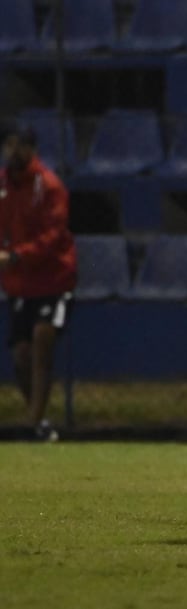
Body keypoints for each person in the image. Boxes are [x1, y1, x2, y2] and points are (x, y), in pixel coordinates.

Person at [0, 122, 77, 442]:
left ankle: (31, 426)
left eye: (19, 145)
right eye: (8, 145)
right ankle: (39, 420)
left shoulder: (49, 186)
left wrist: (16, 255)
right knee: (20, 355)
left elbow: (53, 235)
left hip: (55, 278)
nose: (13, 151)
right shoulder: (3, 185)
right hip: (21, 284)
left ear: (31, 149)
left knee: (42, 337)